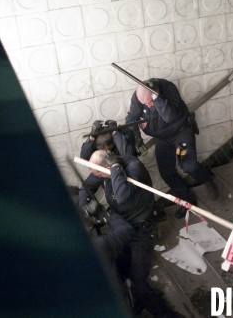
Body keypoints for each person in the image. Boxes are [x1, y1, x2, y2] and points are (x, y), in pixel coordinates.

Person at [79, 150, 176, 317]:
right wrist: (85, 208)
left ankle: (163, 313)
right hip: (122, 229)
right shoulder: (101, 171)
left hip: (142, 232)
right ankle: (138, 302)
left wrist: (115, 168)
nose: (98, 178)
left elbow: (122, 195)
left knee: (139, 282)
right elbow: (87, 185)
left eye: (100, 174)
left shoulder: (133, 168)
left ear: (108, 167)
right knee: (122, 271)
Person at [126, 78, 218, 219]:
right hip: (163, 140)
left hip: (180, 135)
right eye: (145, 104)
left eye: (150, 102)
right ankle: (187, 200)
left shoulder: (168, 89)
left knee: (187, 165)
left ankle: (206, 178)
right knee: (167, 172)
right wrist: (137, 138)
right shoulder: (139, 97)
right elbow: (132, 118)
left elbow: (170, 116)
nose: (148, 106)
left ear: (156, 92)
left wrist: (156, 99)